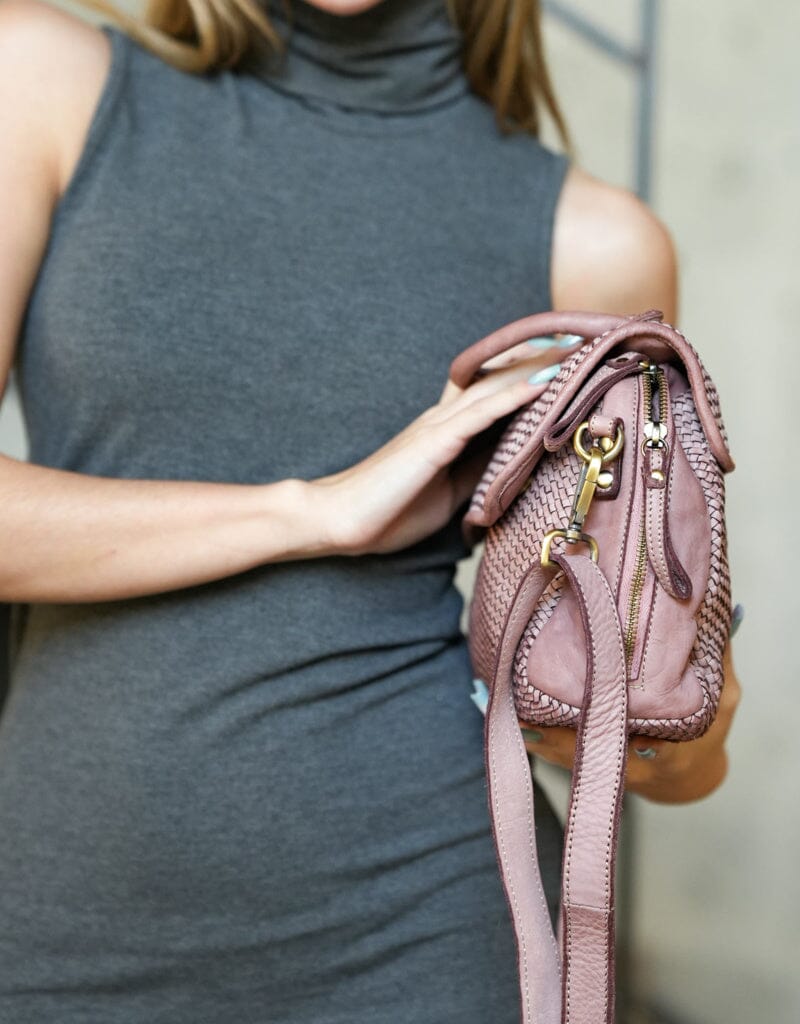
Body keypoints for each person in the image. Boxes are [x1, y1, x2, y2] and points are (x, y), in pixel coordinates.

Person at [0, 0, 742, 1019]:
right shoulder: (41, 80)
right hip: (57, 927)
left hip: (428, 935)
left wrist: (663, 727)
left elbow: (674, 745)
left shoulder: (596, 246)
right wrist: (313, 512)